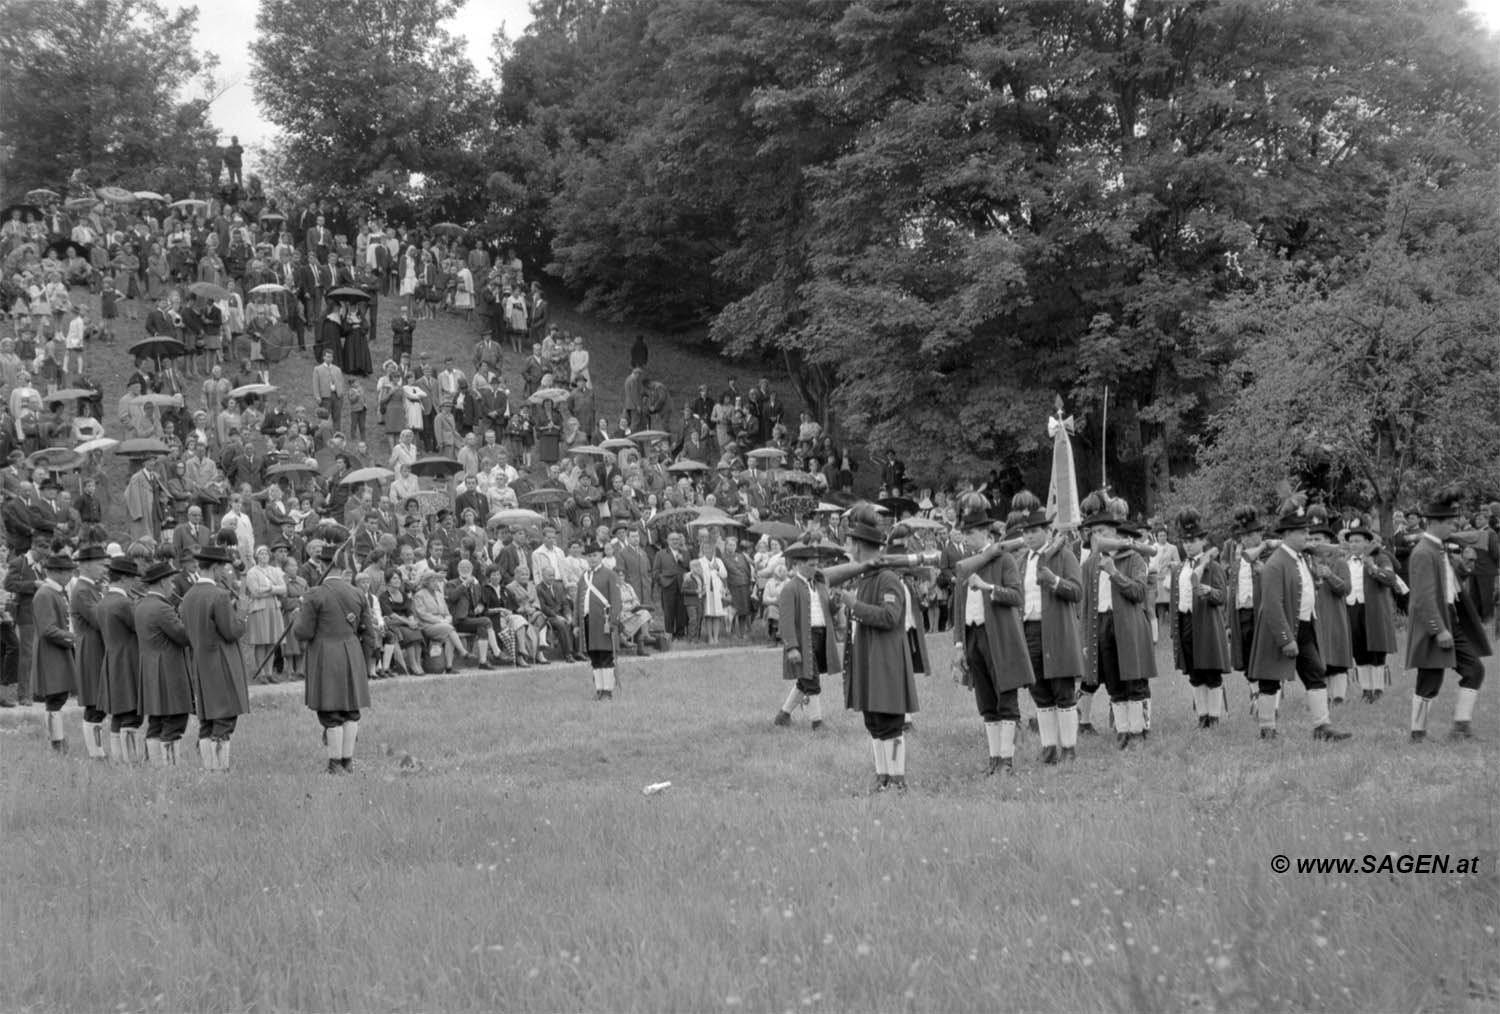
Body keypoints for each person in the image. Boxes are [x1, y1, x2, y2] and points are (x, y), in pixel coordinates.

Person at [1246, 496, 1352, 743]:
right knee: (1270, 679)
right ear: (1287, 534)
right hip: (1280, 630)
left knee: (1316, 673)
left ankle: (1322, 726)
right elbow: (1272, 606)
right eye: (1302, 531)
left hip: (1305, 626)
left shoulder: (1301, 557)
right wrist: (1285, 639)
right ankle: (1267, 728)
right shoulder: (1275, 564)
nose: (1307, 535)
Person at [835, 504, 918, 792]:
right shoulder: (866, 576)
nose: (848, 547)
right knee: (874, 722)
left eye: (850, 542)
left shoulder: (887, 578)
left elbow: (889, 617)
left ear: (858, 546)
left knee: (890, 723)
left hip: (885, 660)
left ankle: (897, 779)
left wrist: (853, 605)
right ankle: (883, 777)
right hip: (869, 658)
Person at [1405, 489, 1493, 741]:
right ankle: (1417, 733)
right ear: (1435, 523)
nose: (1454, 527)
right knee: (1430, 680)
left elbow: (1447, 583)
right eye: (1450, 523)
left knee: (1474, 669)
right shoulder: (1423, 552)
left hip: (1451, 618)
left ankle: (1461, 728)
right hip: (1436, 623)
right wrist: (1438, 629)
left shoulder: (1439, 547)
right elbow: (1422, 598)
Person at [952, 508, 1034, 774]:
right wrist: (959, 644)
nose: (966, 538)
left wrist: (988, 588)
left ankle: (1007, 760)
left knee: (1005, 698)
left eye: (971, 533)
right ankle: (994, 758)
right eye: (964, 533)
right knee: (986, 701)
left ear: (986, 533)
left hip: (999, 635)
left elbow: (1016, 596)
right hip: (973, 635)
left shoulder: (1004, 560)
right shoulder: (967, 562)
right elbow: (958, 608)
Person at [1077, 494, 1156, 748]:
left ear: (1113, 531)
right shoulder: (1089, 565)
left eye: (1101, 531)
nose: (1096, 536)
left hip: (1129, 625)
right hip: (1102, 625)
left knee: (1134, 680)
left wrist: (1113, 572)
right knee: (1113, 681)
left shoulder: (1132, 558)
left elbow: (1139, 593)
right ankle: (1123, 731)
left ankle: (1138, 730)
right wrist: (1086, 640)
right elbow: (1086, 605)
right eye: (1093, 532)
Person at [293, 544, 376, 773]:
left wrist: (297, 616)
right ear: (343, 567)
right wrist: (366, 661)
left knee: (331, 712)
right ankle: (348, 761)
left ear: (322, 564)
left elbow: (303, 632)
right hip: (352, 653)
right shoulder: (358, 593)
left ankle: (335, 763)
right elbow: (369, 633)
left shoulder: (314, 594)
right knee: (351, 711)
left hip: (325, 655)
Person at [1014, 506, 1084, 763]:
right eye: (1026, 532)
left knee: (1062, 690)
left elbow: (1077, 592)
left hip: (1057, 630)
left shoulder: (1064, 556)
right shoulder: (1022, 561)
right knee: (1039, 690)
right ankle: (1049, 747)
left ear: (1047, 531)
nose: (1029, 537)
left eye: (1034, 531)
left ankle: (1069, 747)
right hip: (1029, 629)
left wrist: (1055, 581)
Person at [1169, 509, 1232, 729]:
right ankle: (1202, 716)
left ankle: (1214, 717)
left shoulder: (1212, 566)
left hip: (1206, 624)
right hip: (1185, 622)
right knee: (1194, 672)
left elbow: (1223, 596)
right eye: (1185, 541)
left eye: (1192, 540)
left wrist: (1209, 591)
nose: (1188, 545)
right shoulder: (1179, 569)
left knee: (1211, 671)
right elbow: (1174, 599)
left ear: (1202, 541)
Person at [773, 542, 840, 729]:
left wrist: (836, 600)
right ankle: (817, 722)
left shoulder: (820, 586)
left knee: (805, 679)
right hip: (804, 639)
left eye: (817, 564)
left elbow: (828, 610)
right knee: (812, 681)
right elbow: (786, 621)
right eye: (811, 564)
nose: (815, 568)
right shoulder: (790, 588)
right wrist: (792, 647)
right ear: (799, 565)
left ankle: (783, 716)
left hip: (821, 636)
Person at [135, 559, 194, 765]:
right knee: (175, 720)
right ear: (161, 583)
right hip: (168, 670)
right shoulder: (162, 608)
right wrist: (187, 613)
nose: (173, 586)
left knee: (156, 721)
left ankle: (154, 766)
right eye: (170, 581)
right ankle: (170, 769)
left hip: (151, 669)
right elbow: (184, 636)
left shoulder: (142, 605)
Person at [1340, 514, 1400, 703]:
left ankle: (1378, 689)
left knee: (1376, 650)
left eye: (1358, 541)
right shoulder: (1345, 561)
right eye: (1351, 541)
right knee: (1359, 650)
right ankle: (1366, 690)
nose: (1354, 545)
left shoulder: (1380, 557)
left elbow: (1391, 579)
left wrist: (1373, 568)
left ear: (1368, 542)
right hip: (1351, 607)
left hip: (1373, 609)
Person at [1306, 505, 1354, 706]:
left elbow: (1346, 589)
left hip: (1334, 616)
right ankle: (1321, 696)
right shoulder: (1304, 562)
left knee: (1336, 658)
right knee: (1317, 659)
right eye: (1312, 539)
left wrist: (1330, 576)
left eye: (1319, 539)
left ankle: (1338, 697)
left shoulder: (1339, 562)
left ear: (1328, 541)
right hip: (1313, 617)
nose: (1315, 543)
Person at [97, 555, 144, 762]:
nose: (135, 581)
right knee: (132, 714)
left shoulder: (105, 601)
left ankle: (118, 758)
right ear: (124, 578)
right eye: (132, 577)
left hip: (112, 659)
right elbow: (140, 627)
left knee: (118, 713)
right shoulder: (124, 603)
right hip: (128, 661)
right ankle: (131, 760)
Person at [32, 552, 77, 753]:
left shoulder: (56, 592)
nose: (69, 575)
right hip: (51, 652)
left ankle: (57, 739)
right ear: (55, 572)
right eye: (66, 571)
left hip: (59, 650)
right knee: (55, 699)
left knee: (59, 697)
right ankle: (56, 742)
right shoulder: (45, 594)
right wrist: (74, 638)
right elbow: (47, 629)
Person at [70, 545, 111, 759]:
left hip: (98, 647)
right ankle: (96, 753)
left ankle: (99, 751)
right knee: (95, 702)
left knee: (100, 701)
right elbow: (98, 619)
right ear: (85, 565)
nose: (104, 568)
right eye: (99, 564)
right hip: (91, 650)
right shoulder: (83, 590)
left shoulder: (93, 588)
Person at [575, 539, 622, 700]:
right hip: (588, 622)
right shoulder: (584, 577)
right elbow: (578, 602)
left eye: (594, 555)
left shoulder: (610, 574)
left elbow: (616, 600)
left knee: (605, 656)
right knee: (594, 656)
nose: (592, 559)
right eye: (589, 556)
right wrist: (576, 624)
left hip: (605, 622)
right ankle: (599, 689)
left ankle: (608, 690)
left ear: (601, 555)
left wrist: (614, 621)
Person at [245, 545, 288, 681]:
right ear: (256, 556)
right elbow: (255, 592)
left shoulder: (275, 571)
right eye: (261, 554)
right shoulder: (252, 572)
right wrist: (270, 590)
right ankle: (261, 672)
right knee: (261, 640)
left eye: (266, 554)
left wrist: (270, 589)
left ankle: (269, 672)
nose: (264, 556)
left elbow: (283, 588)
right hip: (259, 608)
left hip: (273, 606)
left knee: (272, 640)